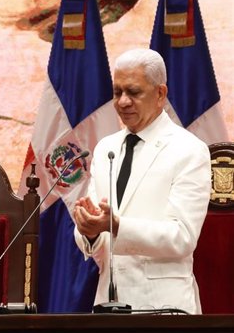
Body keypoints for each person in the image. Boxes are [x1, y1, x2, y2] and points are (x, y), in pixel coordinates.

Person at [72, 48, 211, 314]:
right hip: (108, 305)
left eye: (133, 92)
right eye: (117, 92)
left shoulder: (189, 149)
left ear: (160, 94)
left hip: (164, 309)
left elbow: (182, 237)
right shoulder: (105, 148)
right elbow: (97, 241)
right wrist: (88, 231)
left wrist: (117, 226)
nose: (122, 102)